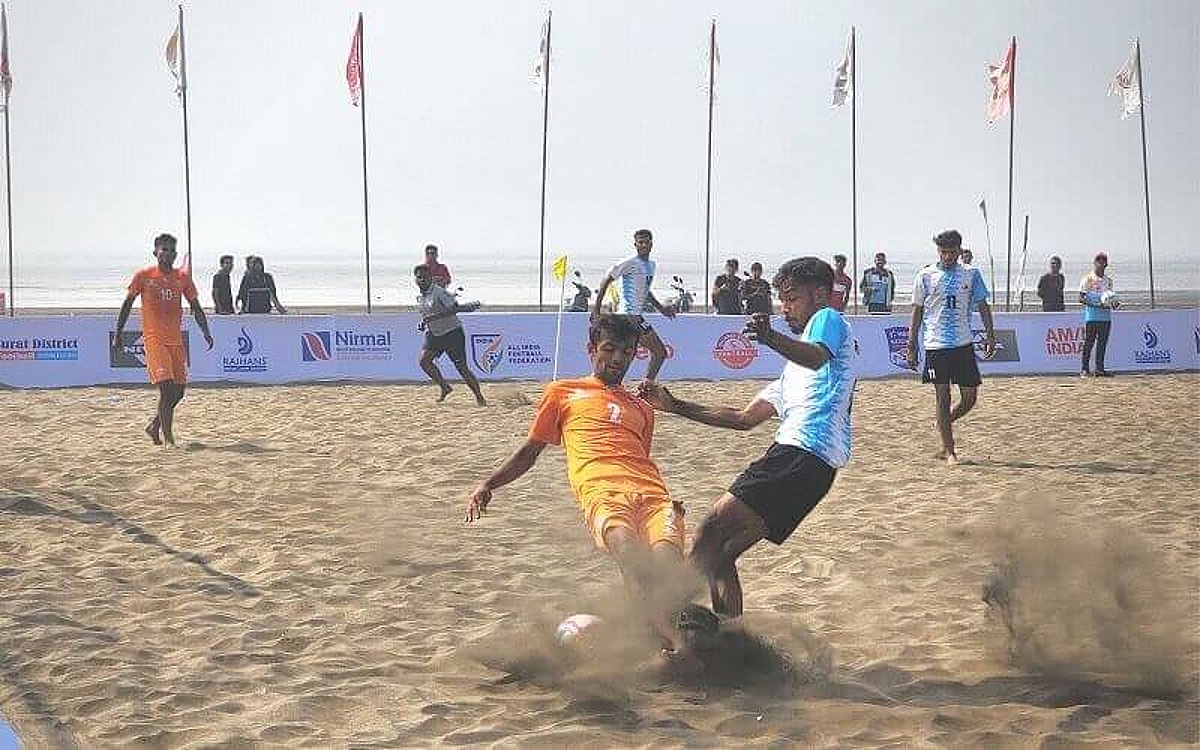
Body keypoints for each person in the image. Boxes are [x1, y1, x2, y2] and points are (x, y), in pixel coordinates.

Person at [638, 257, 857, 618]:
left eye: (792, 299)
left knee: (709, 532)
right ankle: (729, 637)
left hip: (799, 455)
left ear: (819, 294)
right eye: (781, 301)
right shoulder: (791, 375)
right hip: (811, 469)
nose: (784, 309)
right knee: (721, 554)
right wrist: (675, 405)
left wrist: (770, 337)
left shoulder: (827, 319)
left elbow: (817, 356)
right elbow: (742, 419)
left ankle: (661, 618)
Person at [466, 314, 691, 654]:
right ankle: (670, 644)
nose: (618, 359)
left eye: (627, 352)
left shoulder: (642, 407)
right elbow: (530, 452)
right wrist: (489, 484)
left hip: (655, 497)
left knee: (665, 571)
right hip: (603, 493)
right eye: (610, 349)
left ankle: (655, 633)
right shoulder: (562, 393)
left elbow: (639, 457)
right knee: (631, 556)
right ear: (591, 349)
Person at [112, 233, 214, 446]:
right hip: (154, 339)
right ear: (155, 252)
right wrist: (119, 332)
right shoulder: (144, 276)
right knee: (166, 389)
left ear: (176, 254)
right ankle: (168, 439)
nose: (167, 254)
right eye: (163, 249)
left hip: (175, 340)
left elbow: (195, 306)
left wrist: (205, 330)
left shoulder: (182, 278)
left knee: (178, 392)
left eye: (171, 250)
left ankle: (154, 426)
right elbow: (128, 303)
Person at [905, 230, 996, 465]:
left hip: (963, 344)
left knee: (969, 398)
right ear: (938, 251)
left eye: (952, 252)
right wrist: (912, 344)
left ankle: (944, 421)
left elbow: (983, 305)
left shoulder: (971, 274)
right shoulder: (925, 275)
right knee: (942, 396)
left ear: (959, 250)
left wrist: (990, 335)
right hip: (936, 346)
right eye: (943, 252)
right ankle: (949, 450)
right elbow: (917, 310)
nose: (947, 256)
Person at [594, 229, 676, 381]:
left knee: (629, 355)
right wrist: (596, 308)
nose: (644, 245)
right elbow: (607, 279)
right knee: (659, 352)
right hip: (628, 316)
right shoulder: (629, 262)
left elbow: (645, 290)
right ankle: (644, 388)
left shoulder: (651, 265)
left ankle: (634, 387)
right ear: (635, 244)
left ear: (652, 244)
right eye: (641, 242)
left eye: (647, 242)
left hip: (636, 316)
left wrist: (661, 308)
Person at [415, 264, 486, 405]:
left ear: (431, 278)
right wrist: (423, 323)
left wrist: (432, 318)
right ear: (415, 280)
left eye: (425, 277)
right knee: (424, 361)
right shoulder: (420, 297)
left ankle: (480, 397)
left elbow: (454, 309)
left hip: (452, 333)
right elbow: (427, 315)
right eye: (419, 277)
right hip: (434, 333)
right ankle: (445, 387)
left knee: (461, 368)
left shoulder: (439, 292)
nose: (422, 280)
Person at [1079, 252, 1117, 377]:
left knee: (1102, 344)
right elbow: (1081, 298)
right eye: (1098, 261)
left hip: (1105, 317)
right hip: (1092, 316)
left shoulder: (1108, 281)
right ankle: (1084, 369)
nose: (1101, 264)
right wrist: (1096, 305)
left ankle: (1099, 369)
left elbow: (1110, 298)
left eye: (1103, 261)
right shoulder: (1087, 279)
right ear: (1094, 263)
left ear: (1106, 264)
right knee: (1089, 343)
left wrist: (1114, 304)